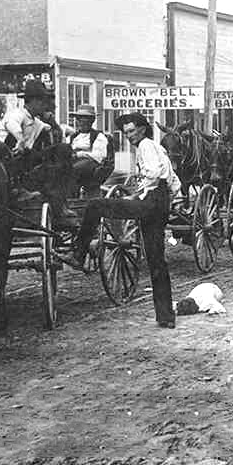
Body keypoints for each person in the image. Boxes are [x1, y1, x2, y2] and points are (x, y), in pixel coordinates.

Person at [65, 113, 181, 329]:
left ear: (142, 130)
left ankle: (78, 254)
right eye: (126, 132)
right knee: (157, 260)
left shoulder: (146, 146)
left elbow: (153, 174)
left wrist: (136, 195)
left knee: (95, 206)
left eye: (131, 131)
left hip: (147, 204)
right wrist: (168, 200)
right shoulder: (157, 147)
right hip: (160, 206)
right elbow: (175, 182)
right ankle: (165, 316)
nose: (129, 136)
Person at [68, 103, 114, 192]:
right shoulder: (73, 137)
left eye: (85, 118)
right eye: (79, 119)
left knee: (73, 169)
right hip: (74, 162)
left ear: (92, 121)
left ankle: (72, 195)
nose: (81, 121)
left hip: (92, 165)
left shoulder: (99, 137)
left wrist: (79, 154)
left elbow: (98, 156)